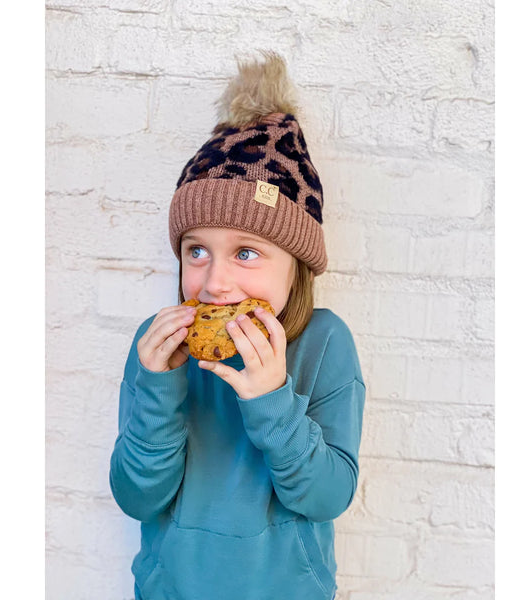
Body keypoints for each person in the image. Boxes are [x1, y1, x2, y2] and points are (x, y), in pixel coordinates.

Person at [109, 50, 366, 600]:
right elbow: (137, 497)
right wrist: (159, 389)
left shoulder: (324, 344)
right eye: (197, 250)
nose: (215, 283)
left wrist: (273, 398)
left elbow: (327, 496)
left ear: (295, 266)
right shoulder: (156, 349)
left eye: (246, 253)